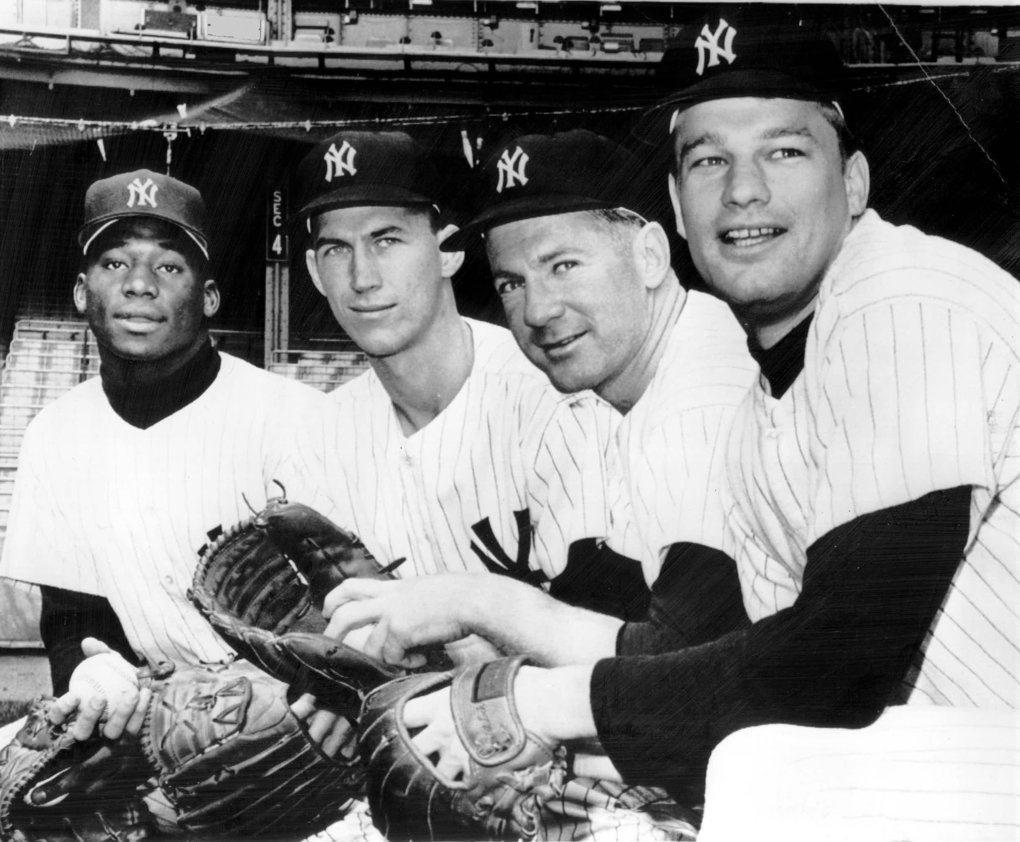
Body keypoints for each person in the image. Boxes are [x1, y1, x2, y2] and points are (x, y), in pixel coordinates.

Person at [329, 18, 1020, 842]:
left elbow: (838, 664)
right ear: (682, 211)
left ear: (855, 180)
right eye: (707, 161)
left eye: (784, 150)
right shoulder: (767, 399)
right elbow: (737, 670)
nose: (743, 190)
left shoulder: (903, 299)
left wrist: (538, 703)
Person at [295, 131, 676, 840]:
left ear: (449, 250)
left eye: (386, 240)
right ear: (315, 272)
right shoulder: (320, 437)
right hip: (437, 775)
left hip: (609, 774)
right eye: (335, 250)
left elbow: (634, 645)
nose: (362, 278)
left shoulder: (558, 394)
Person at [323, 129, 757, 672]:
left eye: (563, 265)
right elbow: (626, 620)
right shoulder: (650, 386)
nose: (537, 310)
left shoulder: (699, 401)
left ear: (649, 255)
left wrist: (473, 602)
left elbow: (690, 669)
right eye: (512, 283)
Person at [0, 169, 352, 835]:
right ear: (81, 291)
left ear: (209, 296)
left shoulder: (296, 418)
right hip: (161, 711)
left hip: (304, 715)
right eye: (115, 262)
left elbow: (357, 604)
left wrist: (329, 695)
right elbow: (73, 618)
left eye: (169, 265)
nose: (140, 283)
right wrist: (93, 675)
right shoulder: (54, 432)